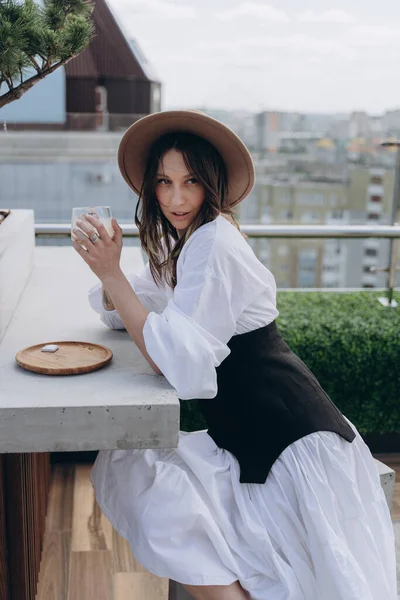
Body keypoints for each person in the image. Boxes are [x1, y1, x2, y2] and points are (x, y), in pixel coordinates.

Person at [72, 110, 397, 600]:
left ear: (213, 184)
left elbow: (172, 362)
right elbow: (133, 310)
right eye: (163, 182)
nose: (175, 198)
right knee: (132, 466)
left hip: (288, 443)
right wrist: (111, 273)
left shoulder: (215, 245)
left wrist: (112, 275)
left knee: (145, 478)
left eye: (191, 182)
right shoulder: (188, 243)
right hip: (247, 436)